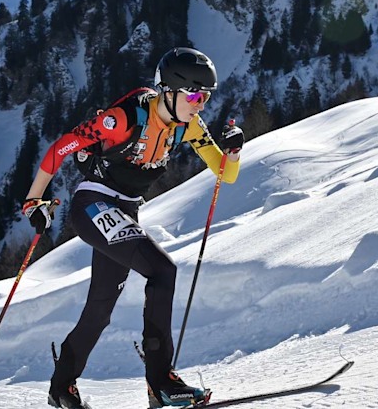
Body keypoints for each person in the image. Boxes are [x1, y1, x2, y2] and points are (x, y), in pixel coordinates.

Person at [22, 47, 245, 408]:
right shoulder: (123, 119)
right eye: (194, 95)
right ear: (169, 91)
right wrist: (33, 202)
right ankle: (160, 383)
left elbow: (225, 173)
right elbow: (60, 148)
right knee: (162, 271)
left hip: (124, 211)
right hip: (93, 203)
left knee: (101, 308)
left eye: (205, 96)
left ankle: (61, 386)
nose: (201, 103)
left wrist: (232, 151)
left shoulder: (187, 125)